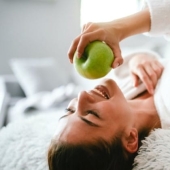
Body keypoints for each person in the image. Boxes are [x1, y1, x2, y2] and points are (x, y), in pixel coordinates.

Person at [48, 0, 170, 169]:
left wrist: (139, 59)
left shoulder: (122, 93)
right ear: (130, 139)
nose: (81, 96)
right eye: (91, 114)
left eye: (70, 110)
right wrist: (118, 28)